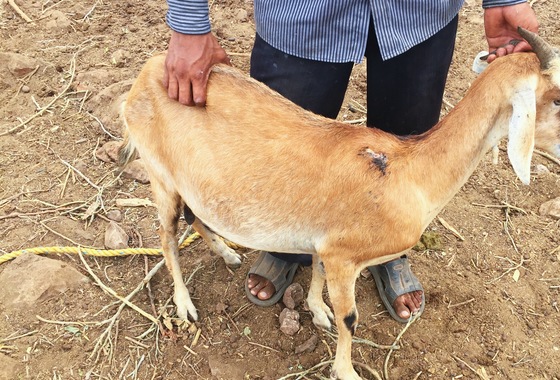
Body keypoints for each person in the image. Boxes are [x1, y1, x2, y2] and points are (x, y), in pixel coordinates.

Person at [162, 0, 539, 323]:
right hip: (300, 16)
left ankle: (386, 248)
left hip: (421, 16)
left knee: (411, 148)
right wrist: (188, 22)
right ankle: (283, 247)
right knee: (284, 159)